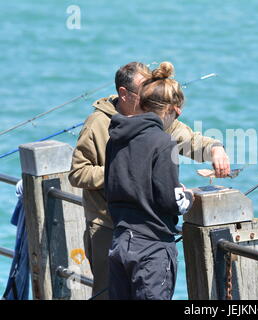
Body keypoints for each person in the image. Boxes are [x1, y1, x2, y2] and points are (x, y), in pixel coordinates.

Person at [69, 61, 230, 299]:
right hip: (107, 225)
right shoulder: (99, 124)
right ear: (123, 94)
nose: (148, 98)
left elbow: (191, 141)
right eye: (143, 92)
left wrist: (216, 149)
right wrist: (125, 173)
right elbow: (78, 172)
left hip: (146, 228)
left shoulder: (158, 118)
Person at [105, 61, 192, 299]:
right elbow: (169, 201)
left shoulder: (115, 138)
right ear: (173, 110)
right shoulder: (163, 143)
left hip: (120, 243)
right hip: (152, 249)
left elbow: (112, 185)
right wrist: (187, 197)